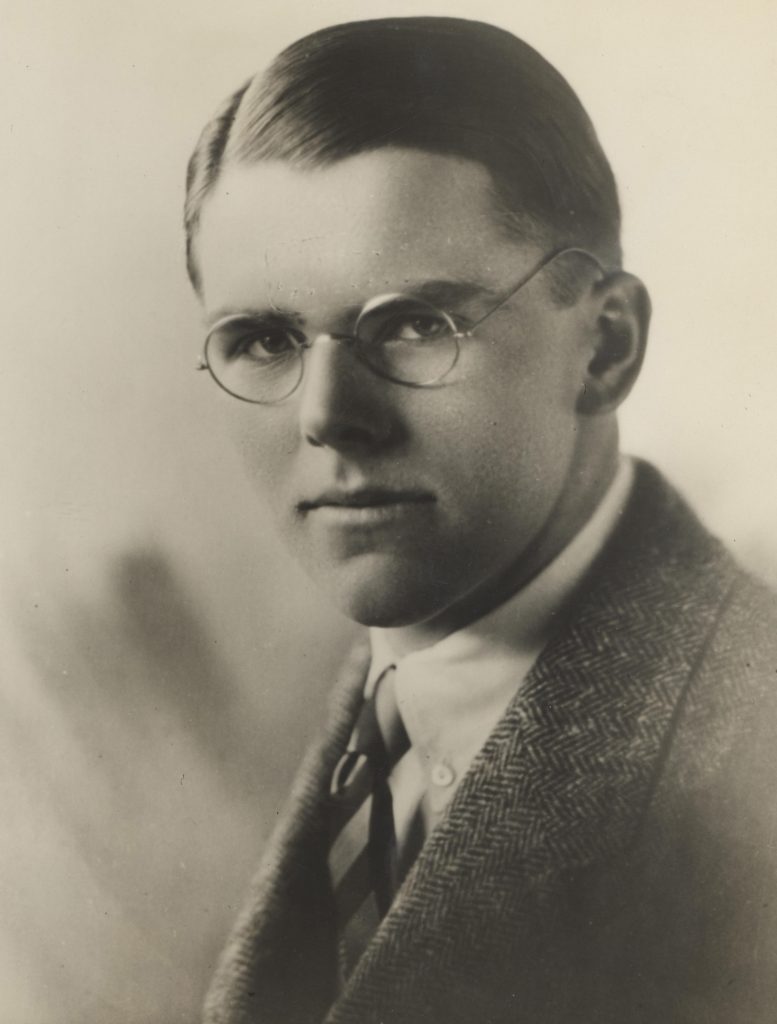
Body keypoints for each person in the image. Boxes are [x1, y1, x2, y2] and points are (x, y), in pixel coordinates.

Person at [183, 16, 777, 1024]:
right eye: (262, 339)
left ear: (605, 347)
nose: (327, 415)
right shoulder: (384, 719)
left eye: (416, 324)